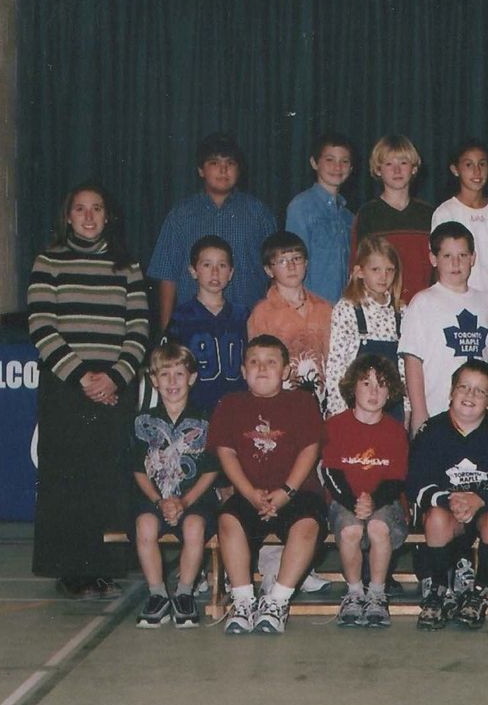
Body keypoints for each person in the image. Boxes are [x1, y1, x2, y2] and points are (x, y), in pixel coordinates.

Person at [27, 183, 149, 594]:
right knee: (66, 480)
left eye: (96, 208)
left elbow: (139, 327)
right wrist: (82, 376)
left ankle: (104, 567)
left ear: (107, 215)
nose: (89, 216)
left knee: (107, 480)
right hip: (66, 385)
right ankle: (69, 570)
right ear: (68, 216)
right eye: (80, 209)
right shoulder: (48, 261)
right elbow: (41, 326)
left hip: (115, 384)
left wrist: (115, 377)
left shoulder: (127, 265)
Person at [209, 336, 323, 636]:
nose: (261, 368)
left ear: (285, 371)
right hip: (250, 492)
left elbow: (309, 450)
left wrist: (286, 492)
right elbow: (226, 452)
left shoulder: (302, 402)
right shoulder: (230, 404)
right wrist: (248, 493)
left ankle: (277, 601)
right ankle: (243, 601)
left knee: (307, 526)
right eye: (254, 362)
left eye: (271, 362)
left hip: (295, 493)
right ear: (243, 370)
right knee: (228, 520)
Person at [406, 360, 488, 628]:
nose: (470, 395)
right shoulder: (431, 431)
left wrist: (480, 499)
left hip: (485, 512)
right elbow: (416, 484)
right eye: (464, 387)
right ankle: (438, 589)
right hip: (447, 512)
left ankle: (480, 590)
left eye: (480, 391)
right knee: (436, 518)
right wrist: (448, 501)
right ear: (451, 392)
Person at [129, 339, 218, 629]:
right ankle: (157, 594)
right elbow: (138, 470)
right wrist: (159, 501)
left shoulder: (207, 419)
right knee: (145, 525)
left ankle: (184, 593)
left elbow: (211, 470)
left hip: (194, 500)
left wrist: (185, 501)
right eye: (164, 374)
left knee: (194, 526)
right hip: (154, 499)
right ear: (153, 380)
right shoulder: (142, 421)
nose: (172, 381)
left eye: (179, 374)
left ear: (192, 378)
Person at [317, 353, 410, 629]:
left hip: (386, 501)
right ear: (352, 388)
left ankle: (377, 595)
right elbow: (330, 473)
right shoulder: (334, 426)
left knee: (378, 527)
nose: (374, 391)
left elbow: (396, 478)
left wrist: (373, 502)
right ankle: (355, 593)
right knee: (350, 530)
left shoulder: (395, 431)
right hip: (345, 500)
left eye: (381, 385)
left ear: (390, 392)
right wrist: (353, 502)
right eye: (366, 383)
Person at [147, 131, 278, 322]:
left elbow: (276, 272)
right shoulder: (181, 215)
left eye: (230, 163)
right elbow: (167, 275)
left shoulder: (259, 214)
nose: (223, 170)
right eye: (214, 163)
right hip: (193, 324)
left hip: (249, 322)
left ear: (239, 169)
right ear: (201, 170)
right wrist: (166, 329)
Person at [398, 222, 488, 434]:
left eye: (463, 255)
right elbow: (413, 362)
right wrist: (420, 413)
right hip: (437, 411)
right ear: (433, 259)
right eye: (447, 256)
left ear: (473, 258)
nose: (456, 263)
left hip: (479, 416)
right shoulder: (423, 302)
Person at [319, 237, 403, 416]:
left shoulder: (401, 311)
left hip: (392, 406)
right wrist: (338, 411)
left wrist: (407, 408)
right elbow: (337, 365)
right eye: (375, 270)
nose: (383, 276)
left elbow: (403, 366)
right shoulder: (348, 308)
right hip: (354, 408)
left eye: (389, 270)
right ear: (360, 272)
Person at [433, 141, 488, 328]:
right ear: (455, 170)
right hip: (457, 310)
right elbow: (440, 266)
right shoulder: (445, 212)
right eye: (469, 165)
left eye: (482, 164)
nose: (477, 171)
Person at [244, 232, 332, 388]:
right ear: (269, 270)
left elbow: (333, 360)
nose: (291, 266)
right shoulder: (262, 313)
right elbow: (257, 363)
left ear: (306, 263)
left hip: (320, 393)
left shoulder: (325, 309)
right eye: (282, 261)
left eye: (296, 259)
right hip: (279, 394)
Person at [166, 237, 246, 408]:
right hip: (196, 406)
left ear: (231, 273)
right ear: (193, 271)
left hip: (236, 405)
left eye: (222, 265)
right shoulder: (181, 317)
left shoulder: (242, 315)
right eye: (207, 265)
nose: (215, 272)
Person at [355, 135, 434, 303]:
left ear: (413, 168)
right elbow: (356, 269)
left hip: (423, 306)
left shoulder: (429, 214)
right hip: (381, 308)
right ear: (378, 170)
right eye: (389, 164)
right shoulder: (368, 215)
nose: (397, 170)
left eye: (403, 163)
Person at [284, 131, 356, 303]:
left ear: (351, 168)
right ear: (314, 163)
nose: (337, 167)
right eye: (330, 160)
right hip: (310, 306)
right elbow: (292, 261)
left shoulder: (349, 217)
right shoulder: (301, 207)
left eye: (344, 161)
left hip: (344, 309)